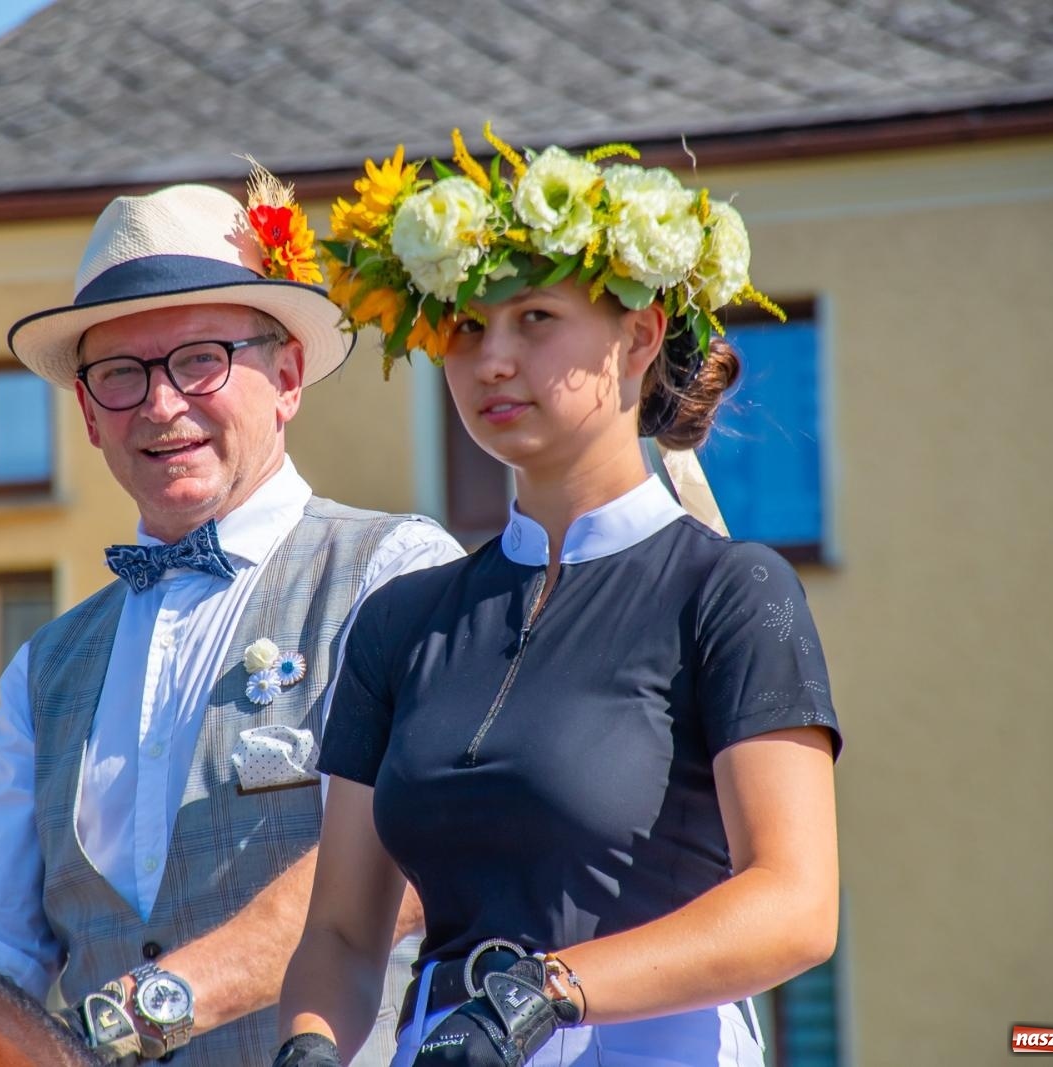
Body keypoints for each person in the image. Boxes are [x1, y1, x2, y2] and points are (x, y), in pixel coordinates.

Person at [274, 128, 842, 1067]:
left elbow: (795, 903)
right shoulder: (399, 623)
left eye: (534, 318)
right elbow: (339, 932)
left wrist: (545, 994)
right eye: (464, 327)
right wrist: (305, 1049)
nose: (491, 358)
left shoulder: (730, 591)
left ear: (640, 335)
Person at [0, 176, 462, 1066]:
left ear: (286, 376)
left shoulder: (395, 574)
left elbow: (406, 862)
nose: (162, 404)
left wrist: (134, 1015)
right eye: (122, 374)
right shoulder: (45, 668)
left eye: (200, 358)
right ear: (89, 415)